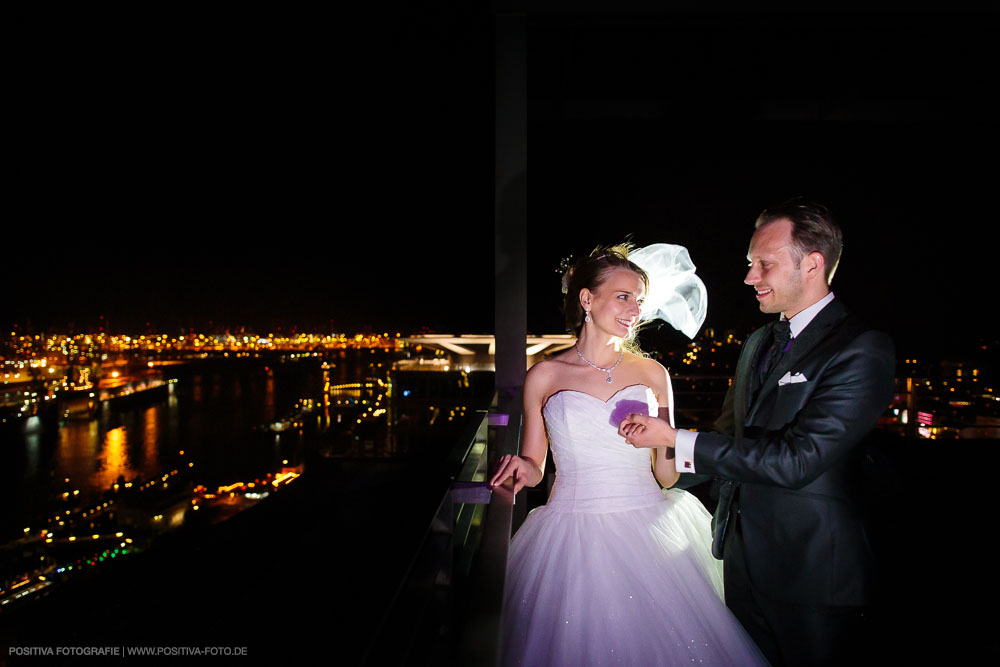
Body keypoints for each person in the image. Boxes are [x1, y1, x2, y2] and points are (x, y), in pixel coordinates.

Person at [619, 199, 895, 666]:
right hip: (741, 564)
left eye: (764, 264)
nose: (750, 278)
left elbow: (798, 460)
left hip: (813, 577)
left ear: (813, 264)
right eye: (751, 264)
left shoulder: (862, 348)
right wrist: (639, 476)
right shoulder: (757, 342)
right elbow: (729, 436)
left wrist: (672, 439)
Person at [490, 244, 768, 666]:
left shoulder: (652, 374)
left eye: (639, 299)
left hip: (648, 525)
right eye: (624, 296)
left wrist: (663, 438)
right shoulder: (544, 375)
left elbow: (669, 476)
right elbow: (535, 464)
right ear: (587, 299)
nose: (635, 308)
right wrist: (518, 468)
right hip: (570, 531)